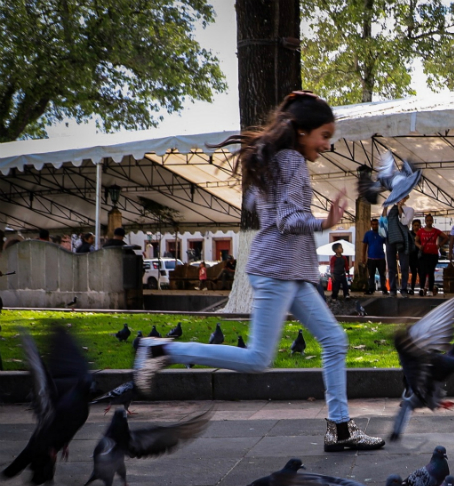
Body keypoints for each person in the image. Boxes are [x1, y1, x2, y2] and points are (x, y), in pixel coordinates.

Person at [133, 90, 384, 452]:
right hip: (278, 271)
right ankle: (160, 350)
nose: (327, 145)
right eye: (324, 136)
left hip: (289, 271)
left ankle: (340, 429)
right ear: (301, 131)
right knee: (257, 359)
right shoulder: (291, 162)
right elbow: (285, 219)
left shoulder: (272, 159)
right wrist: (324, 221)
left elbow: (266, 209)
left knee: (334, 340)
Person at [384, 197, 413, 297]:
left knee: (404, 266)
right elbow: (383, 223)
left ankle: (404, 289)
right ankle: (392, 289)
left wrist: (400, 208)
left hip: (403, 238)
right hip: (390, 238)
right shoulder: (390, 211)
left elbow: (404, 222)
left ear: (405, 198)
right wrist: (385, 208)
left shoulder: (409, 210)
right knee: (391, 266)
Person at [417, 214, 444, 296]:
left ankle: (431, 290)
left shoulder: (436, 231)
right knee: (423, 272)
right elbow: (416, 241)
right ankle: (422, 288)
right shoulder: (421, 231)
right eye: (427, 220)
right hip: (424, 254)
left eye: (430, 220)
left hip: (433, 254)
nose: (429, 222)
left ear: (432, 221)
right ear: (425, 221)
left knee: (431, 272)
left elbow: (446, 237)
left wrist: (439, 245)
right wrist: (419, 246)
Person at [360, 218, 387, 294]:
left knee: (382, 274)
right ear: (371, 225)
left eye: (376, 224)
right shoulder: (367, 234)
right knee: (371, 274)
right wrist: (363, 256)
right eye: (373, 224)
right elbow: (364, 245)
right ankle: (371, 288)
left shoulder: (382, 233)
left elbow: (387, 244)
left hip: (381, 258)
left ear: (378, 224)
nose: (375, 226)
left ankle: (383, 288)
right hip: (371, 258)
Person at [408, 219, 422, 293]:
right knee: (413, 272)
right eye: (415, 225)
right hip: (412, 255)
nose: (416, 227)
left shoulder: (421, 233)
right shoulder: (410, 234)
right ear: (412, 226)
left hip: (420, 255)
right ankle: (412, 288)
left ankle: (421, 288)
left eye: (417, 225)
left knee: (420, 272)